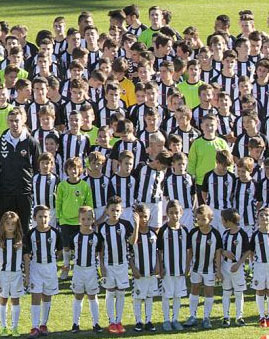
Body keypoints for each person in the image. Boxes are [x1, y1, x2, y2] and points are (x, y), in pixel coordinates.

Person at [0, 107, 41, 235]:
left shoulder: (31, 142)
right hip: (6, 192)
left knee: (24, 227)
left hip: (24, 192)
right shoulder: (2, 140)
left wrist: (30, 186)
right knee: (5, 227)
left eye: (17, 120)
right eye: (11, 121)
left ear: (23, 120)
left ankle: (25, 253)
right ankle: (5, 253)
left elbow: (37, 167)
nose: (14, 124)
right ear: (7, 122)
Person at [24, 205, 62, 338]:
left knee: (47, 295)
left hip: (50, 268)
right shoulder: (31, 234)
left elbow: (59, 250)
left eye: (45, 216)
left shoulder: (55, 233)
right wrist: (27, 275)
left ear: (50, 217)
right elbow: (27, 256)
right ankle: (34, 327)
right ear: (34, 218)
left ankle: (43, 324)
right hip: (36, 268)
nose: (43, 219)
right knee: (36, 296)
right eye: (40, 217)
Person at [184, 205, 222, 329]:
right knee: (194, 289)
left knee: (209, 291)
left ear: (210, 219)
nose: (199, 222)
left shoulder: (216, 234)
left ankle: (206, 317)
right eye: (197, 219)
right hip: (196, 268)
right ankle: (192, 316)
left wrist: (218, 270)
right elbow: (190, 252)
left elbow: (218, 254)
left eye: (203, 219)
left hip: (209, 270)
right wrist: (187, 266)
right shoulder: (193, 233)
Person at [98, 196, 133, 334]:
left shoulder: (126, 225)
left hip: (122, 264)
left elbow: (132, 242)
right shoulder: (102, 228)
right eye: (112, 210)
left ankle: (118, 321)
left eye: (118, 210)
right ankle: (111, 321)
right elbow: (100, 250)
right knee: (110, 292)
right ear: (107, 210)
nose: (115, 213)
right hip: (109, 265)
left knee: (121, 293)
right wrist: (102, 266)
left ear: (122, 210)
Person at [56, 157, 92, 280]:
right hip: (65, 221)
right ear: (67, 170)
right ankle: (66, 268)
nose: (73, 171)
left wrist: (89, 218)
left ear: (80, 169)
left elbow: (89, 203)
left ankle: (78, 270)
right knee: (66, 247)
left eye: (76, 168)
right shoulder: (62, 185)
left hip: (80, 222)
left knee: (78, 246)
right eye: (71, 168)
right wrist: (59, 217)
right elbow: (58, 202)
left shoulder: (84, 185)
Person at [157, 200, 189, 331]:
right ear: (167, 214)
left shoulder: (185, 230)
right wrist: (160, 267)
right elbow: (159, 251)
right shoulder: (163, 230)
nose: (174, 216)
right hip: (167, 269)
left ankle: (175, 319)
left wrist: (187, 266)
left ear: (181, 213)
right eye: (171, 213)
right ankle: (166, 320)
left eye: (177, 213)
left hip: (180, 269)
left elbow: (189, 250)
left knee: (178, 295)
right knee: (166, 295)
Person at [71, 206, 102, 334]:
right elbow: (71, 251)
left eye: (89, 219)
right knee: (78, 296)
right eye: (83, 219)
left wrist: (101, 269)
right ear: (79, 220)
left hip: (91, 270)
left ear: (93, 220)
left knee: (92, 296)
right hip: (78, 270)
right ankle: (75, 323)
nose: (86, 221)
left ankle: (96, 323)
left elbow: (100, 253)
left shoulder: (96, 237)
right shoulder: (75, 237)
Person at [187, 113, 230, 205]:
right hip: (201, 182)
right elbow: (191, 163)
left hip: (219, 180)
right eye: (207, 125)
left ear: (217, 126)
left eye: (212, 125)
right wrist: (191, 178)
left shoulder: (222, 143)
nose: (209, 127)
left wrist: (228, 176)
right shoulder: (197, 143)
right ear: (202, 126)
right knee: (203, 212)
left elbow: (229, 162)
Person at [129, 203, 159, 332]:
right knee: (137, 297)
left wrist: (158, 265)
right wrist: (136, 226)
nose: (143, 219)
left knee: (149, 296)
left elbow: (157, 252)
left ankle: (148, 320)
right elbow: (131, 245)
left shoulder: (153, 233)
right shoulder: (133, 234)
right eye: (140, 217)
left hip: (151, 272)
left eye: (145, 216)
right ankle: (138, 321)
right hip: (139, 272)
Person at [221, 208, 249, 327]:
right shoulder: (225, 234)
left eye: (222, 220)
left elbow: (248, 251)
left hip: (237, 268)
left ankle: (239, 316)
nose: (221, 222)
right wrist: (224, 252)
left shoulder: (242, 233)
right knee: (226, 292)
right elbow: (220, 249)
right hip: (225, 267)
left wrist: (238, 264)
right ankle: (226, 317)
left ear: (228, 221)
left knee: (238, 293)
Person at [0, 211, 23, 337]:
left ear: (16, 225)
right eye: (7, 223)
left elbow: (25, 258)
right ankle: (3, 326)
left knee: (15, 300)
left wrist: (27, 275)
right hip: (2, 274)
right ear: (3, 225)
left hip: (16, 275)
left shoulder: (19, 241)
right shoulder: (1, 241)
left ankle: (15, 327)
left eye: (12, 224)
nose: (10, 226)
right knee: (2, 300)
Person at [202, 150, 235, 235]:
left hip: (226, 210)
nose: (225, 168)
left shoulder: (232, 177)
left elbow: (232, 194)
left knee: (225, 234)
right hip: (212, 211)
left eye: (227, 166)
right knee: (213, 235)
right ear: (217, 162)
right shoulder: (208, 176)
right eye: (223, 165)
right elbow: (204, 193)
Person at [164, 152, 195, 230]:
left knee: (188, 232)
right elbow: (166, 196)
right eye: (179, 164)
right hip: (173, 212)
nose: (181, 166)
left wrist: (193, 209)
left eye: (183, 164)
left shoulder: (190, 177)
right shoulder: (168, 179)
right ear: (173, 164)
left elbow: (193, 195)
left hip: (187, 210)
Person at [250, 207, 269, 328]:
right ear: (257, 219)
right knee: (260, 290)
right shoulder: (256, 235)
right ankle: (262, 316)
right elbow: (251, 251)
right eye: (261, 215)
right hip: (259, 266)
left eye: (266, 215)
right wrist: (253, 265)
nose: (264, 218)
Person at [108, 150, 136, 224]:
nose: (129, 166)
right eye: (126, 163)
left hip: (130, 212)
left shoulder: (134, 179)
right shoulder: (112, 179)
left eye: (131, 164)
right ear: (120, 163)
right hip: (116, 212)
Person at [32, 152, 59, 227]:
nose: (45, 165)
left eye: (47, 163)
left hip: (51, 211)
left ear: (52, 165)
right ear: (39, 164)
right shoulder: (34, 177)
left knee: (50, 232)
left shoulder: (55, 178)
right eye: (42, 163)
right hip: (37, 210)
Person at [84, 151, 109, 220]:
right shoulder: (85, 181)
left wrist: (104, 215)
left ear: (102, 165)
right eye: (93, 163)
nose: (96, 166)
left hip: (104, 210)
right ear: (89, 164)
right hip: (89, 211)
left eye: (98, 164)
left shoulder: (107, 180)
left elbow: (110, 199)